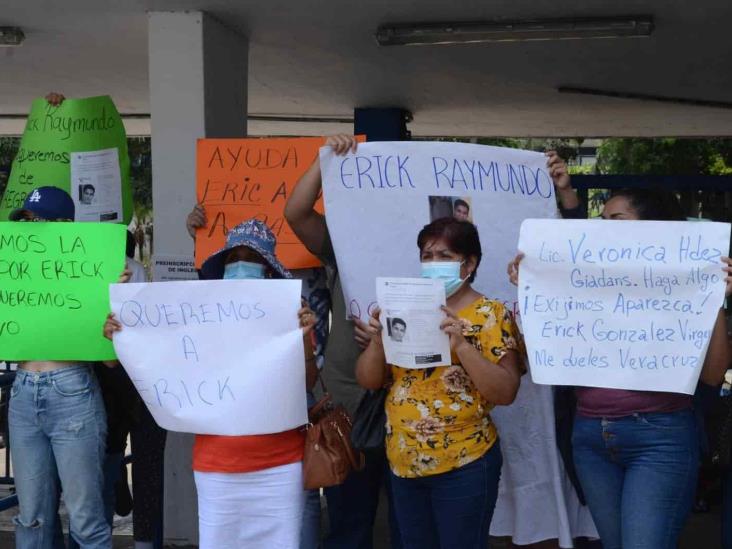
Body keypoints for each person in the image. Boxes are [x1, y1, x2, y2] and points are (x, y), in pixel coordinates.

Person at [508, 188, 732, 549]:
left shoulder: (684, 281)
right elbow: (542, 350)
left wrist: (714, 298)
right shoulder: (584, 278)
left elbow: (711, 375)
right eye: (602, 221)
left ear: (653, 228)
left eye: (617, 219)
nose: (606, 230)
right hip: (590, 438)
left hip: (660, 438)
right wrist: (533, 288)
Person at [107, 219, 317, 549]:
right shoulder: (200, 317)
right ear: (223, 267)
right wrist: (123, 332)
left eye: (252, 258)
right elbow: (158, 352)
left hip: (280, 466)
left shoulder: (291, 315)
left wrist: (304, 340)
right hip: (217, 466)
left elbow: (308, 382)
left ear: (269, 270)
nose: (241, 265)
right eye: (234, 258)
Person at [356, 216, 523, 549]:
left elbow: (506, 391)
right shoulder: (405, 307)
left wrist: (462, 345)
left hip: (465, 462)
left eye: (444, 257)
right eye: (427, 256)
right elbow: (370, 380)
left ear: (469, 263)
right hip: (404, 462)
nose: (433, 264)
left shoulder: (491, 314)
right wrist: (377, 341)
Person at [284, 134, 402, 549]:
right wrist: (325, 160)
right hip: (347, 405)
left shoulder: (433, 253)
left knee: (413, 528)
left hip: (413, 405)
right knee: (349, 527)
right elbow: (296, 212)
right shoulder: (346, 243)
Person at [8, 186, 128, 549]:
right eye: (25, 223)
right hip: (23, 390)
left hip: (73, 390)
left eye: (36, 223)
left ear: (62, 227)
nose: (28, 232)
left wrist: (113, 306)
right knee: (30, 519)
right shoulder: (14, 272)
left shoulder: (94, 272)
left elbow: (108, 360)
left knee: (85, 519)